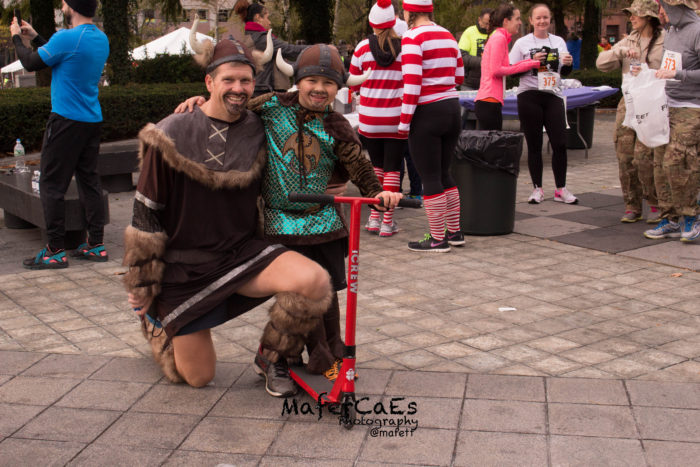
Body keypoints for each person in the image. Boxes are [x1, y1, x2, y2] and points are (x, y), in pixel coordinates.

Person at [125, 34, 335, 398]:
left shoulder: (259, 126)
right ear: (208, 82)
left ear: (254, 84)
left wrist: (340, 179)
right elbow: (146, 215)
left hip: (240, 255)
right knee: (198, 377)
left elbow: (310, 116)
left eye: (245, 80)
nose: (238, 88)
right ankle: (157, 324)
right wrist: (142, 286)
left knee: (314, 280)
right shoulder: (170, 132)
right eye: (228, 80)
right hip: (183, 269)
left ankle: (272, 356)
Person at [176, 42, 402, 380]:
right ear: (298, 82)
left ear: (338, 89)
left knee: (326, 292)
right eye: (312, 80)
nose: (319, 89)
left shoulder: (336, 124)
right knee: (298, 294)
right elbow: (230, 106)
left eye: (329, 83)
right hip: (279, 220)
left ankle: (318, 353)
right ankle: (298, 356)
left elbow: (358, 164)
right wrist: (200, 102)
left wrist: (378, 193)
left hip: (323, 221)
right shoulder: (271, 106)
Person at [11, 0, 109, 269]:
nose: (63, 4)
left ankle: (55, 250)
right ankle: (96, 244)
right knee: (89, 182)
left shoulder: (66, 37)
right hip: (91, 120)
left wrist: (17, 38)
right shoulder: (100, 39)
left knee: (51, 185)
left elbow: (31, 63)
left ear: (72, 7)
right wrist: (36, 37)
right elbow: (64, 57)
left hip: (65, 121)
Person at [399, 0, 464, 252]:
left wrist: (404, 122)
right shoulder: (447, 35)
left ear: (409, 11)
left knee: (430, 177)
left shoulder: (412, 37)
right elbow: (459, 76)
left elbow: (412, 83)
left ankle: (437, 239)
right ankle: (455, 232)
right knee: (445, 173)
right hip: (452, 107)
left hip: (427, 112)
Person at [597, 0, 667, 222]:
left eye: (636, 14)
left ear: (649, 16)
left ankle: (655, 203)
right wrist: (619, 53)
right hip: (628, 103)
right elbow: (601, 63)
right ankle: (632, 205)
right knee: (624, 154)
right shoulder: (628, 40)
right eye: (630, 14)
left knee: (645, 157)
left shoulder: (665, 40)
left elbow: (673, 69)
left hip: (653, 105)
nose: (631, 18)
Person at [350, 0, 407, 237]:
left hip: (369, 120)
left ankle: (374, 217)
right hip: (396, 119)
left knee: (377, 168)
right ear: (393, 21)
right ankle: (387, 222)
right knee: (393, 169)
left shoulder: (362, 48)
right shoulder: (405, 47)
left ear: (372, 22)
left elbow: (353, 84)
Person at [510, 4, 577, 205]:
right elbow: (512, 71)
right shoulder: (522, 43)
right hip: (529, 95)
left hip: (552, 95)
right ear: (531, 20)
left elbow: (564, 72)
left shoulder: (558, 41)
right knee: (534, 144)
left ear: (550, 19)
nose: (542, 21)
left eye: (545, 17)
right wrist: (531, 61)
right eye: (538, 18)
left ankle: (561, 189)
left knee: (560, 143)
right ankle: (537, 188)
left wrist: (569, 63)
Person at [646, 0, 700, 242]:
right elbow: (668, 67)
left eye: (665, 7)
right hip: (666, 104)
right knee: (659, 163)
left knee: (677, 162)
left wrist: (678, 74)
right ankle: (669, 218)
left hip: (691, 106)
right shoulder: (671, 31)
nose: (662, 12)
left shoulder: (697, 30)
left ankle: (691, 216)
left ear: (679, 7)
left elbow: (678, 71)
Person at [474, 3, 544, 131]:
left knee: (493, 141)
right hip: (489, 101)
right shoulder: (499, 38)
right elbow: (497, 70)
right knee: (493, 142)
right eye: (517, 19)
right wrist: (531, 63)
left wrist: (531, 62)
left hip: (490, 101)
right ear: (506, 21)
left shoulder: (499, 37)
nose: (520, 22)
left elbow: (507, 66)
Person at [234, 0, 307, 96]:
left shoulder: (250, 36)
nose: (270, 22)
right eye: (267, 18)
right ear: (258, 18)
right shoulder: (261, 38)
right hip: (266, 91)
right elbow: (288, 49)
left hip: (262, 88)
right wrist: (318, 49)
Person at [458, 8, 492, 90]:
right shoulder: (469, 32)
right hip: (470, 84)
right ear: (479, 20)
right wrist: (482, 61)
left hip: (490, 83)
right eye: (485, 24)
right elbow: (461, 56)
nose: (488, 27)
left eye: (491, 24)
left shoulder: (495, 33)